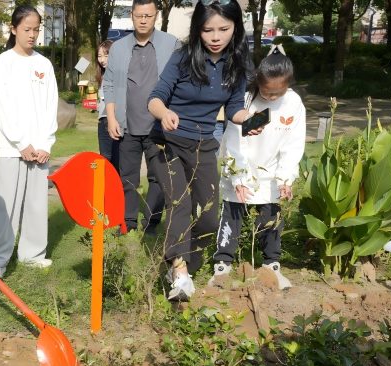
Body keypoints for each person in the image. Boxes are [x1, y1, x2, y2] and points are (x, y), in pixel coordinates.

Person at [147, 0, 255, 301]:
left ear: (236, 28)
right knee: (179, 205)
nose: (216, 37)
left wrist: (247, 119)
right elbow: (155, 98)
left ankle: (180, 264)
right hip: (166, 142)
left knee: (208, 216)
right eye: (208, 30)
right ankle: (179, 275)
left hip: (204, 144)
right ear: (198, 30)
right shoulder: (183, 57)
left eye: (224, 29)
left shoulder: (236, 64)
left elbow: (234, 108)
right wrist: (164, 113)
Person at [209, 46, 304, 290]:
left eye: (278, 93)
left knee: (271, 218)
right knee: (232, 214)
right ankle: (222, 264)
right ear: (258, 82)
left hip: (271, 170)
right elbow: (234, 140)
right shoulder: (245, 100)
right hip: (242, 164)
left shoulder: (293, 103)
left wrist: (285, 178)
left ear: (288, 85)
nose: (272, 98)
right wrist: (238, 177)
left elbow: (293, 144)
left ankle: (271, 264)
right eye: (267, 92)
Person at [0, 6, 58, 279]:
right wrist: (21, 143)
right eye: (27, 29)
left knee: (37, 203)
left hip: (39, 148)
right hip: (11, 148)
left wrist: (44, 144)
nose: (32, 35)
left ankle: (32, 254)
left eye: (36, 29)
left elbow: (50, 106)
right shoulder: (2, 63)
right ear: (14, 29)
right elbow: (2, 108)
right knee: (9, 206)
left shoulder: (44, 64)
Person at [101, 0, 177, 234]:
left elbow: (179, 81)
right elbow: (110, 84)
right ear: (132, 16)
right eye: (138, 16)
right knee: (128, 178)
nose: (143, 20)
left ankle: (152, 222)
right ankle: (128, 223)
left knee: (159, 178)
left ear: (156, 16)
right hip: (127, 124)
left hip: (158, 126)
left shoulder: (172, 44)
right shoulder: (119, 47)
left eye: (148, 16)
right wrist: (112, 118)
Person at [95, 39, 116, 168]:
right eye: (99, 56)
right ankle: (105, 187)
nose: (102, 59)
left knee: (112, 158)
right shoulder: (103, 76)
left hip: (113, 121)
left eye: (106, 55)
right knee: (104, 158)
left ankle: (117, 186)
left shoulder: (117, 75)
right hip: (102, 121)